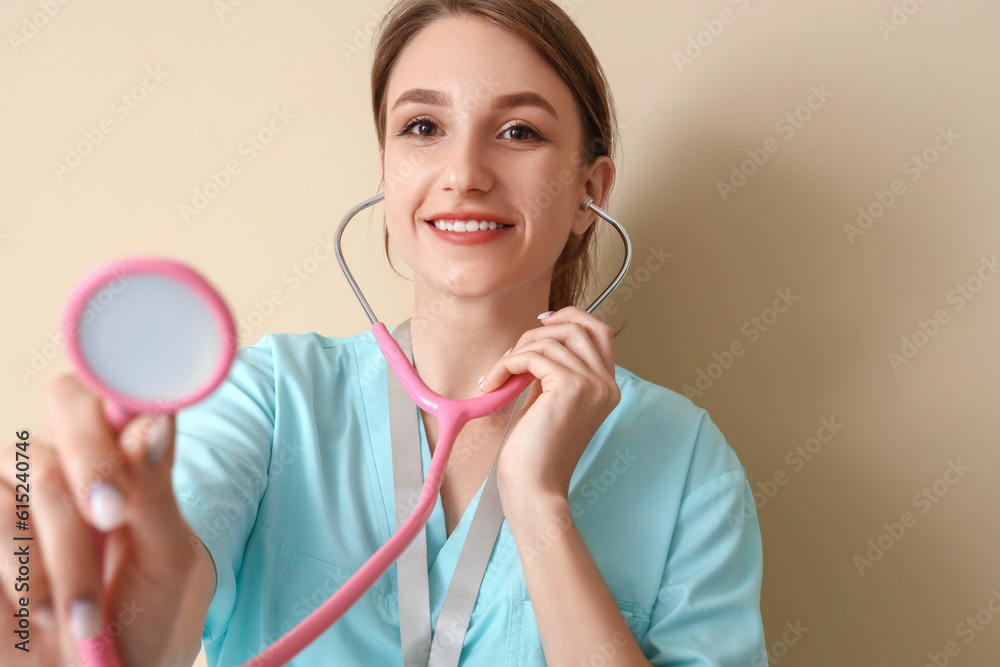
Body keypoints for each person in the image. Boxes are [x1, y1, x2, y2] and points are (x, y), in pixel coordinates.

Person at [0, 0, 766, 665]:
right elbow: (162, 602)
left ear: (587, 192)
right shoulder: (273, 398)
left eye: (519, 131)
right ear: (387, 169)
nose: (463, 171)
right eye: (424, 126)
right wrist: (103, 633)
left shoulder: (685, 458)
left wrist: (539, 506)